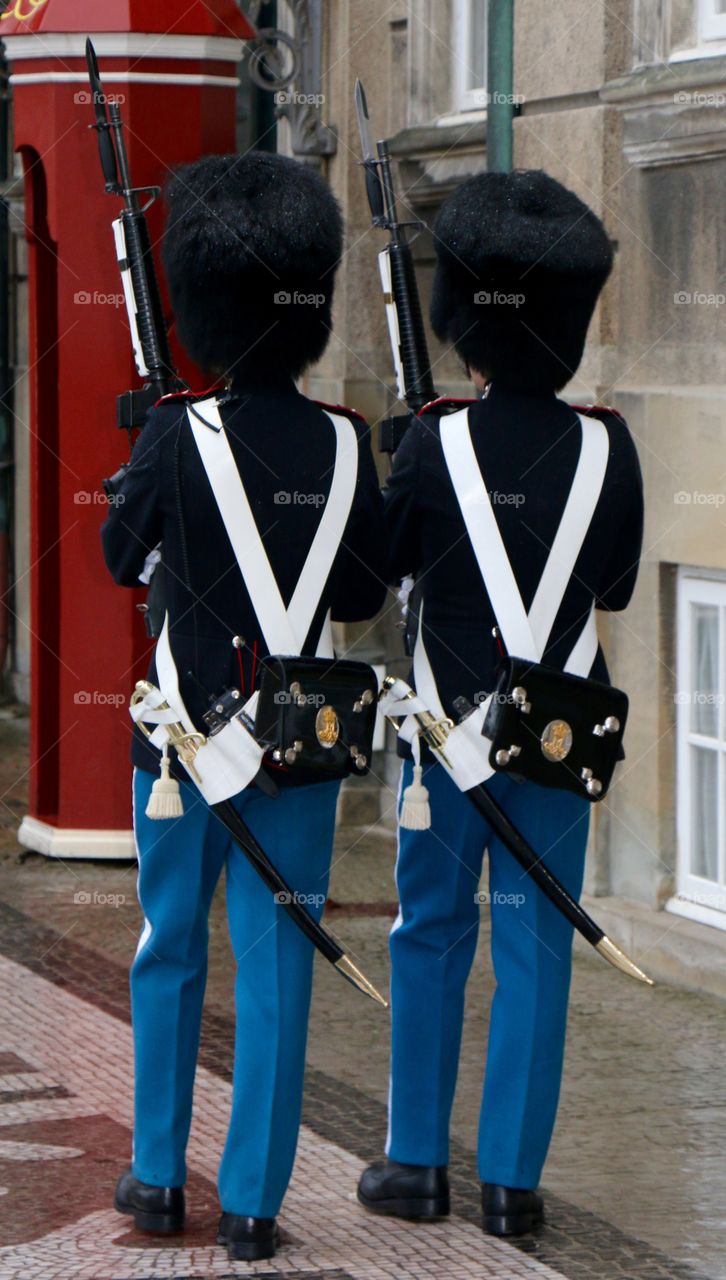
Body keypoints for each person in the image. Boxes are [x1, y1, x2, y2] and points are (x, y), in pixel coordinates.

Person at [101, 152, 387, 1262]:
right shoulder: (345, 440)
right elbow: (361, 591)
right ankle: (257, 1204)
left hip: (180, 743)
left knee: (169, 948)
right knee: (275, 966)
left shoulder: (175, 432)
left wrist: (144, 471)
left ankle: (159, 1174)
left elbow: (124, 559)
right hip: (302, 746)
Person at [357, 170, 644, 1237]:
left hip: (445, 739)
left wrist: (400, 465)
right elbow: (611, 585)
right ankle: (513, 1185)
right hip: (558, 734)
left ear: (468, 328)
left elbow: (387, 567)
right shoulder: (611, 446)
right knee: (535, 943)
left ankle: (416, 1163)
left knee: (429, 933)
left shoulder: (433, 440)